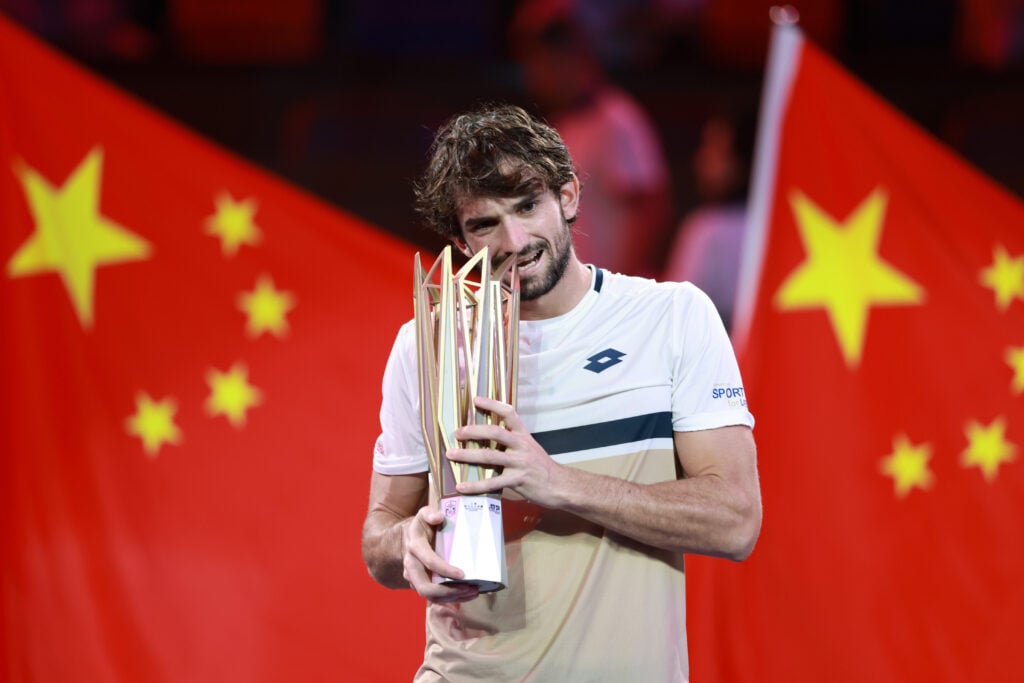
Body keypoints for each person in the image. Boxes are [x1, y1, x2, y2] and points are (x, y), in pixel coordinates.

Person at [361, 104, 761, 682]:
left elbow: (736, 521)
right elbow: (379, 536)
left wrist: (558, 484)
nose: (515, 240)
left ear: (569, 197)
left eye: (528, 207)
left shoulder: (673, 318)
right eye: (485, 223)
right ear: (458, 239)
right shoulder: (430, 343)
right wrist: (408, 543)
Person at [509, 0, 673, 278]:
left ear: (569, 59)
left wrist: (621, 288)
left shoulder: (617, 119)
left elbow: (650, 209)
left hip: (608, 297)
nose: (534, 79)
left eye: (539, 66)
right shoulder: (562, 127)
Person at [663, 108, 756, 333]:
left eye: (713, 148)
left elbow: (675, 318)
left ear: (741, 160)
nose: (700, 159)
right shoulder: (789, 227)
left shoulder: (708, 230)